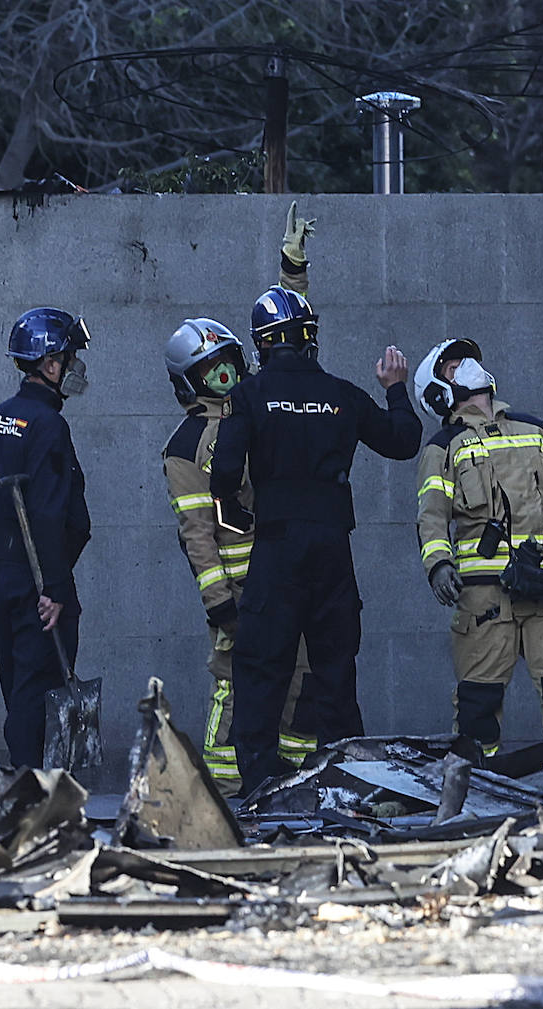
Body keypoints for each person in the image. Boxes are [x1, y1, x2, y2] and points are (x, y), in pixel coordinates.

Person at [210, 284, 423, 794]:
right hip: (332, 550)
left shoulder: (248, 395)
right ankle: (348, 779)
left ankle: (260, 779)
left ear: (261, 345)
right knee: (334, 667)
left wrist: (238, 513)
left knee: (261, 665)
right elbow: (403, 440)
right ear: (310, 340)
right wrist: (395, 386)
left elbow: (223, 474)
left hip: (278, 548)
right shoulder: (343, 394)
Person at [160, 204, 319, 793]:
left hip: (287, 573)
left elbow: (286, 332)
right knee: (234, 681)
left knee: (301, 674)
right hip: (239, 590)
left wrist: (292, 271)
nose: (226, 378)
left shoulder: (256, 407)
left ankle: (296, 779)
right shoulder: (184, 445)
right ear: (189, 381)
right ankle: (226, 790)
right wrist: (219, 604)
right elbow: (195, 531)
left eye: (231, 365)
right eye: (213, 371)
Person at [413, 338, 543, 767]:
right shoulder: (444, 446)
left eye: (468, 358)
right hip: (486, 601)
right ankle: (477, 794)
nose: (467, 364)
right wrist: (437, 565)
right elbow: (431, 515)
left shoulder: (537, 431)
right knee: (477, 709)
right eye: (453, 366)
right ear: (437, 391)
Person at [0, 307, 92, 769]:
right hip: (40, 579)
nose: (75, 368)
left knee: (17, 687)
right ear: (50, 364)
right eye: (70, 358)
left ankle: (23, 782)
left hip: (5, 575)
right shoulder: (50, 426)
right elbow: (54, 513)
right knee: (39, 690)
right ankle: (33, 791)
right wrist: (52, 590)